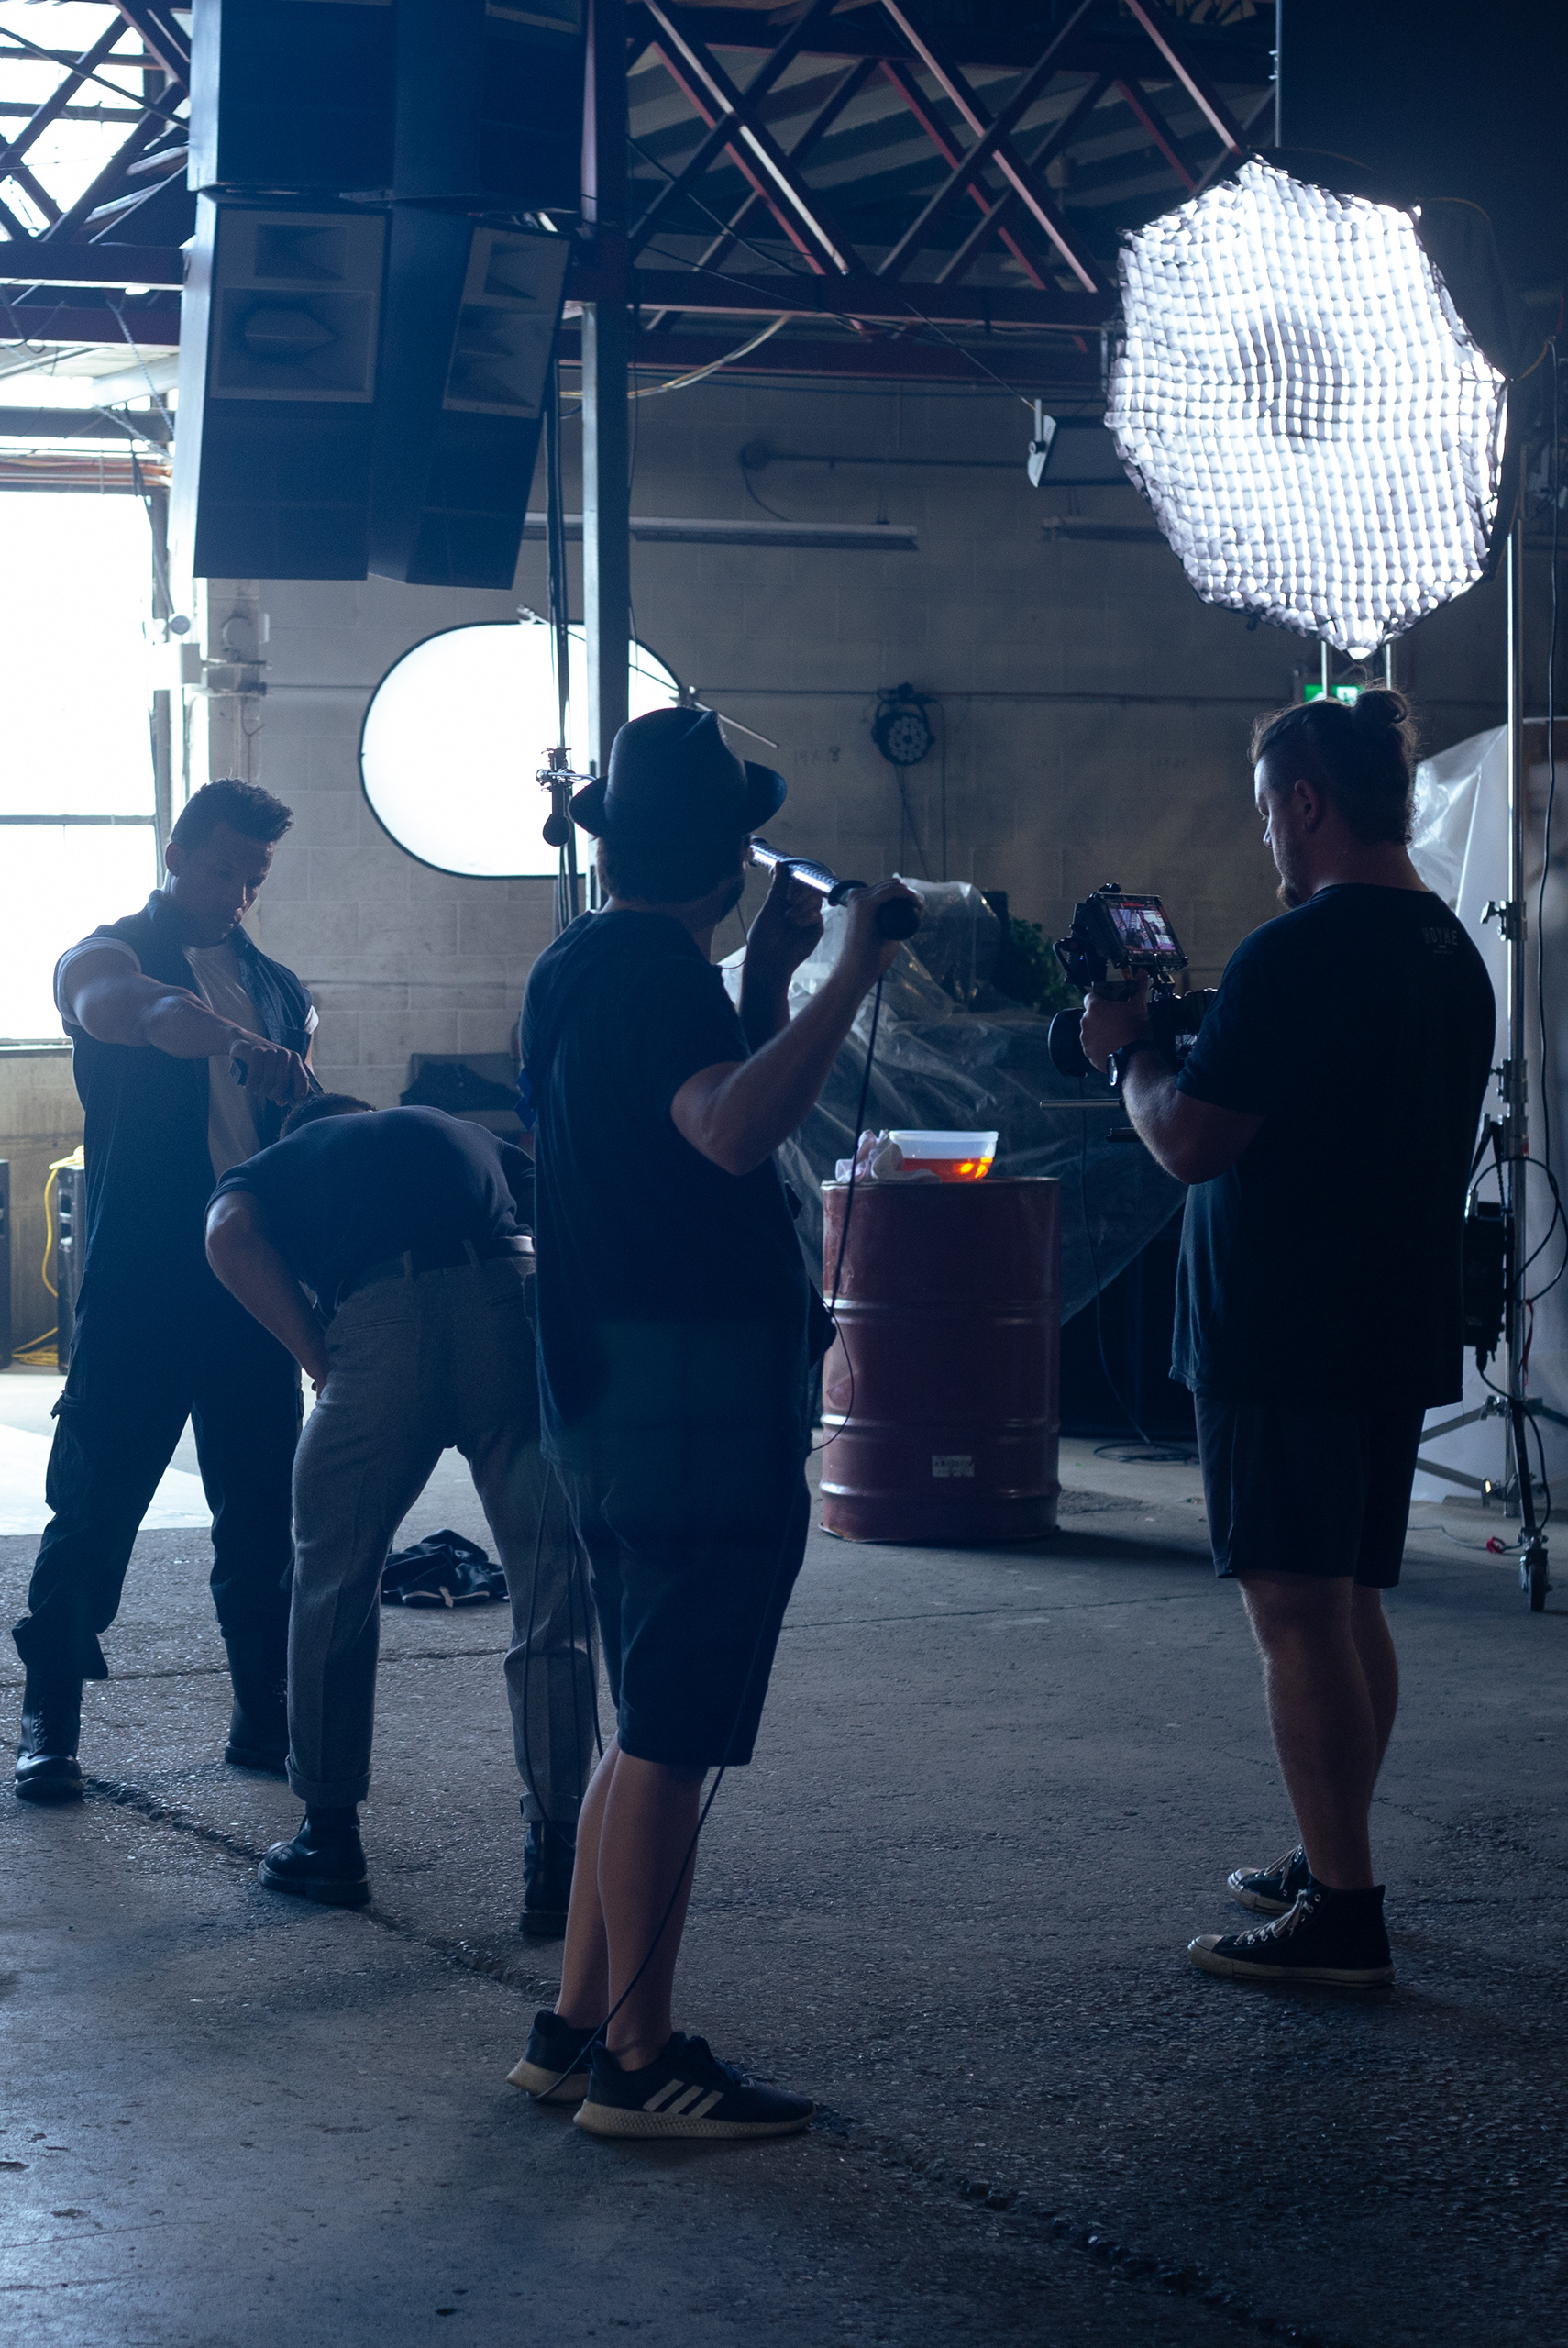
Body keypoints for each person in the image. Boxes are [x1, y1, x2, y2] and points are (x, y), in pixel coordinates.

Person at [506, 705, 914, 2143]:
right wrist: (847, 978)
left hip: (607, 1395)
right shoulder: (661, 977)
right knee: (674, 1732)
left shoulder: (577, 964)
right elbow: (731, 1132)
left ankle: (573, 2028)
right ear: (726, 854)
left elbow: (666, 1120)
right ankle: (641, 2060)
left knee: (645, 1719)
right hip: (694, 1406)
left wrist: (773, 982)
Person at [1080, 690, 1494, 1991]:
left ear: (1307, 803)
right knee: (1348, 1600)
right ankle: (1334, 1854)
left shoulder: (1291, 956)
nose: (1265, 836)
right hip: (1391, 1317)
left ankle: (1345, 1913)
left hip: (1281, 1331)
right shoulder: (1449, 949)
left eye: (1267, 811)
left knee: (1296, 1615)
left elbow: (1189, 1142)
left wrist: (1128, 1055)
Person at [202, 1093, 596, 1938]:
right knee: (552, 1585)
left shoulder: (288, 1154)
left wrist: (318, 1358)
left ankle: (329, 1839)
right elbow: (575, 1206)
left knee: (331, 1581)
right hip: (511, 1309)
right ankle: (559, 1859)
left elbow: (228, 1234)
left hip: (381, 1326)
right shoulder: (462, 1131)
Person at [9, 779, 317, 1805]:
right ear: (177, 853)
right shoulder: (104, 954)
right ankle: (50, 1721)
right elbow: (138, 1014)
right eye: (223, 868)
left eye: (254, 877)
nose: (237, 892)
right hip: (141, 1277)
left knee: (263, 1515)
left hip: (253, 1282)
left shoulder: (279, 986)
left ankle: (264, 1716)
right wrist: (230, 1039)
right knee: (94, 1505)